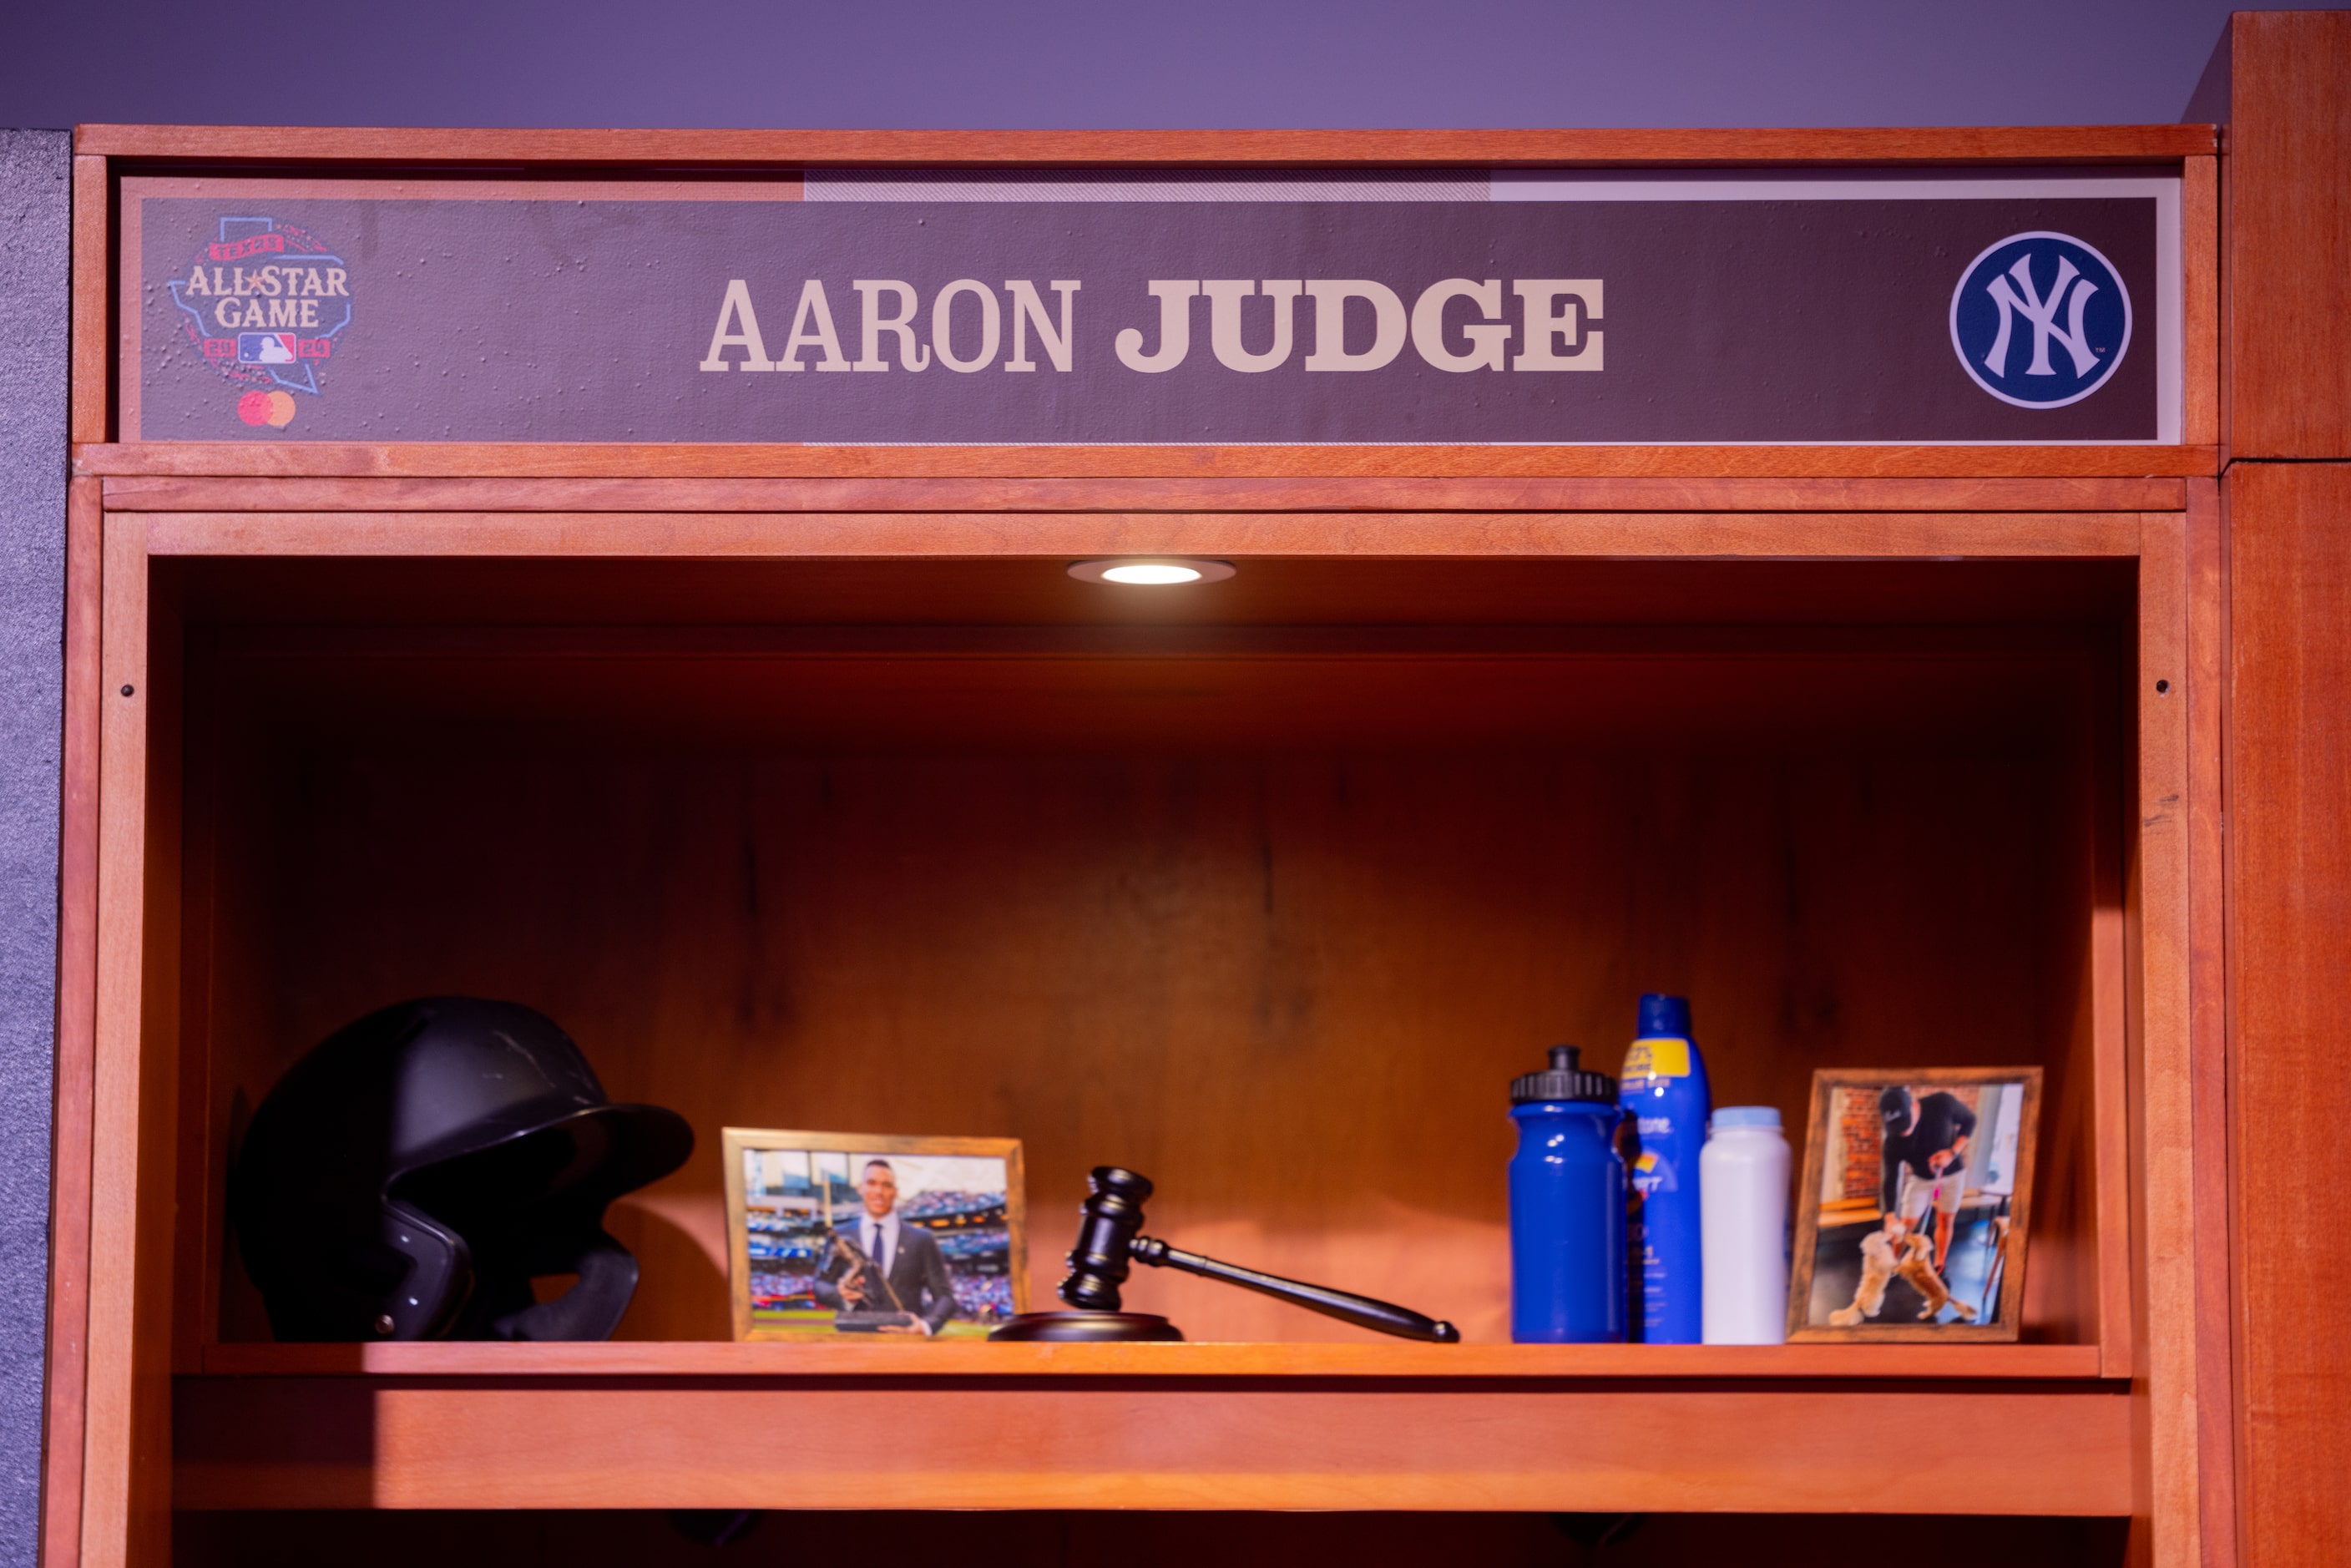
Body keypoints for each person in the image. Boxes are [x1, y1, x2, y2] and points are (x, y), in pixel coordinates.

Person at [811, 1160, 958, 1335]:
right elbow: (820, 1284)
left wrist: (925, 1327)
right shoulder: (840, 1236)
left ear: (895, 1192)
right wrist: (841, 1294)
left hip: (905, 1346)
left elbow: (944, 1296)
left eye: (886, 1185)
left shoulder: (922, 1239)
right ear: (861, 1188)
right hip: (853, 1342)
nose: (879, 1191)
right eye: (872, 1183)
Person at [1878, 1085, 1977, 1274]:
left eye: (1906, 1123)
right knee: (1904, 1224)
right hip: (1921, 1178)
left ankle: (1939, 1264)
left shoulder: (1941, 1104)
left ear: (1914, 1106)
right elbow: (1891, 1177)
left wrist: (1952, 1152)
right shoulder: (1892, 1142)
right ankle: (1892, 1264)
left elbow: (1970, 1120)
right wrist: (1890, 1216)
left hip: (1952, 1174)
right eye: (1896, 1127)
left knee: (1946, 1219)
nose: (1903, 1132)